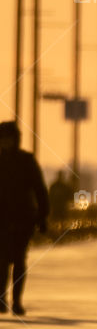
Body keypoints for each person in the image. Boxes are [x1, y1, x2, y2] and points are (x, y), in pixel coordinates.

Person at [0, 121, 49, 316]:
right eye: (2, 139)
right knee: (1, 261)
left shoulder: (27, 161)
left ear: (16, 140)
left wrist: (42, 216)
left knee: (19, 260)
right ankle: (2, 297)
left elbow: (40, 189)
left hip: (23, 219)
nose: (5, 143)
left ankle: (17, 301)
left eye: (8, 139)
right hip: (1, 219)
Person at [48, 171, 74, 235]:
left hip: (57, 207)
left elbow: (50, 196)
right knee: (61, 220)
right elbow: (70, 196)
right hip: (61, 207)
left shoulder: (54, 186)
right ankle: (61, 232)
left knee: (56, 220)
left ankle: (56, 233)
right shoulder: (64, 186)